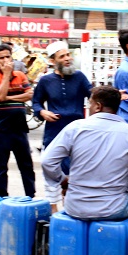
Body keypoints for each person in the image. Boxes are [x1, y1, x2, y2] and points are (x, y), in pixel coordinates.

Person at [42, 86, 128, 221]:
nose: (88, 107)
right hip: (114, 208)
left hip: (74, 207)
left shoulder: (75, 128)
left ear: (98, 106)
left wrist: (63, 181)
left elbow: (47, 161)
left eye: (89, 103)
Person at [32, 40, 92, 174]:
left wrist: (111, 95)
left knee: (77, 169)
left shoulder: (80, 77)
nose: (67, 59)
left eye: (68, 55)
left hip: (77, 130)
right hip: (54, 131)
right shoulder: (45, 81)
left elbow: (93, 95)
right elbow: (36, 102)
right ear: (53, 61)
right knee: (53, 168)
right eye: (62, 56)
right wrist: (42, 112)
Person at [0, 44, 36, 198]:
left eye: (8, 57)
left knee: (26, 165)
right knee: (1, 167)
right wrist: (6, 76)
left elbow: (29, 94)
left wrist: (8, 98)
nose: (6, 60)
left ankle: (30, 196)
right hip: (0, 129)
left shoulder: (20, 75)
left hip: (19, 128)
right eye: (2, 58)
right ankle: (2, 198)